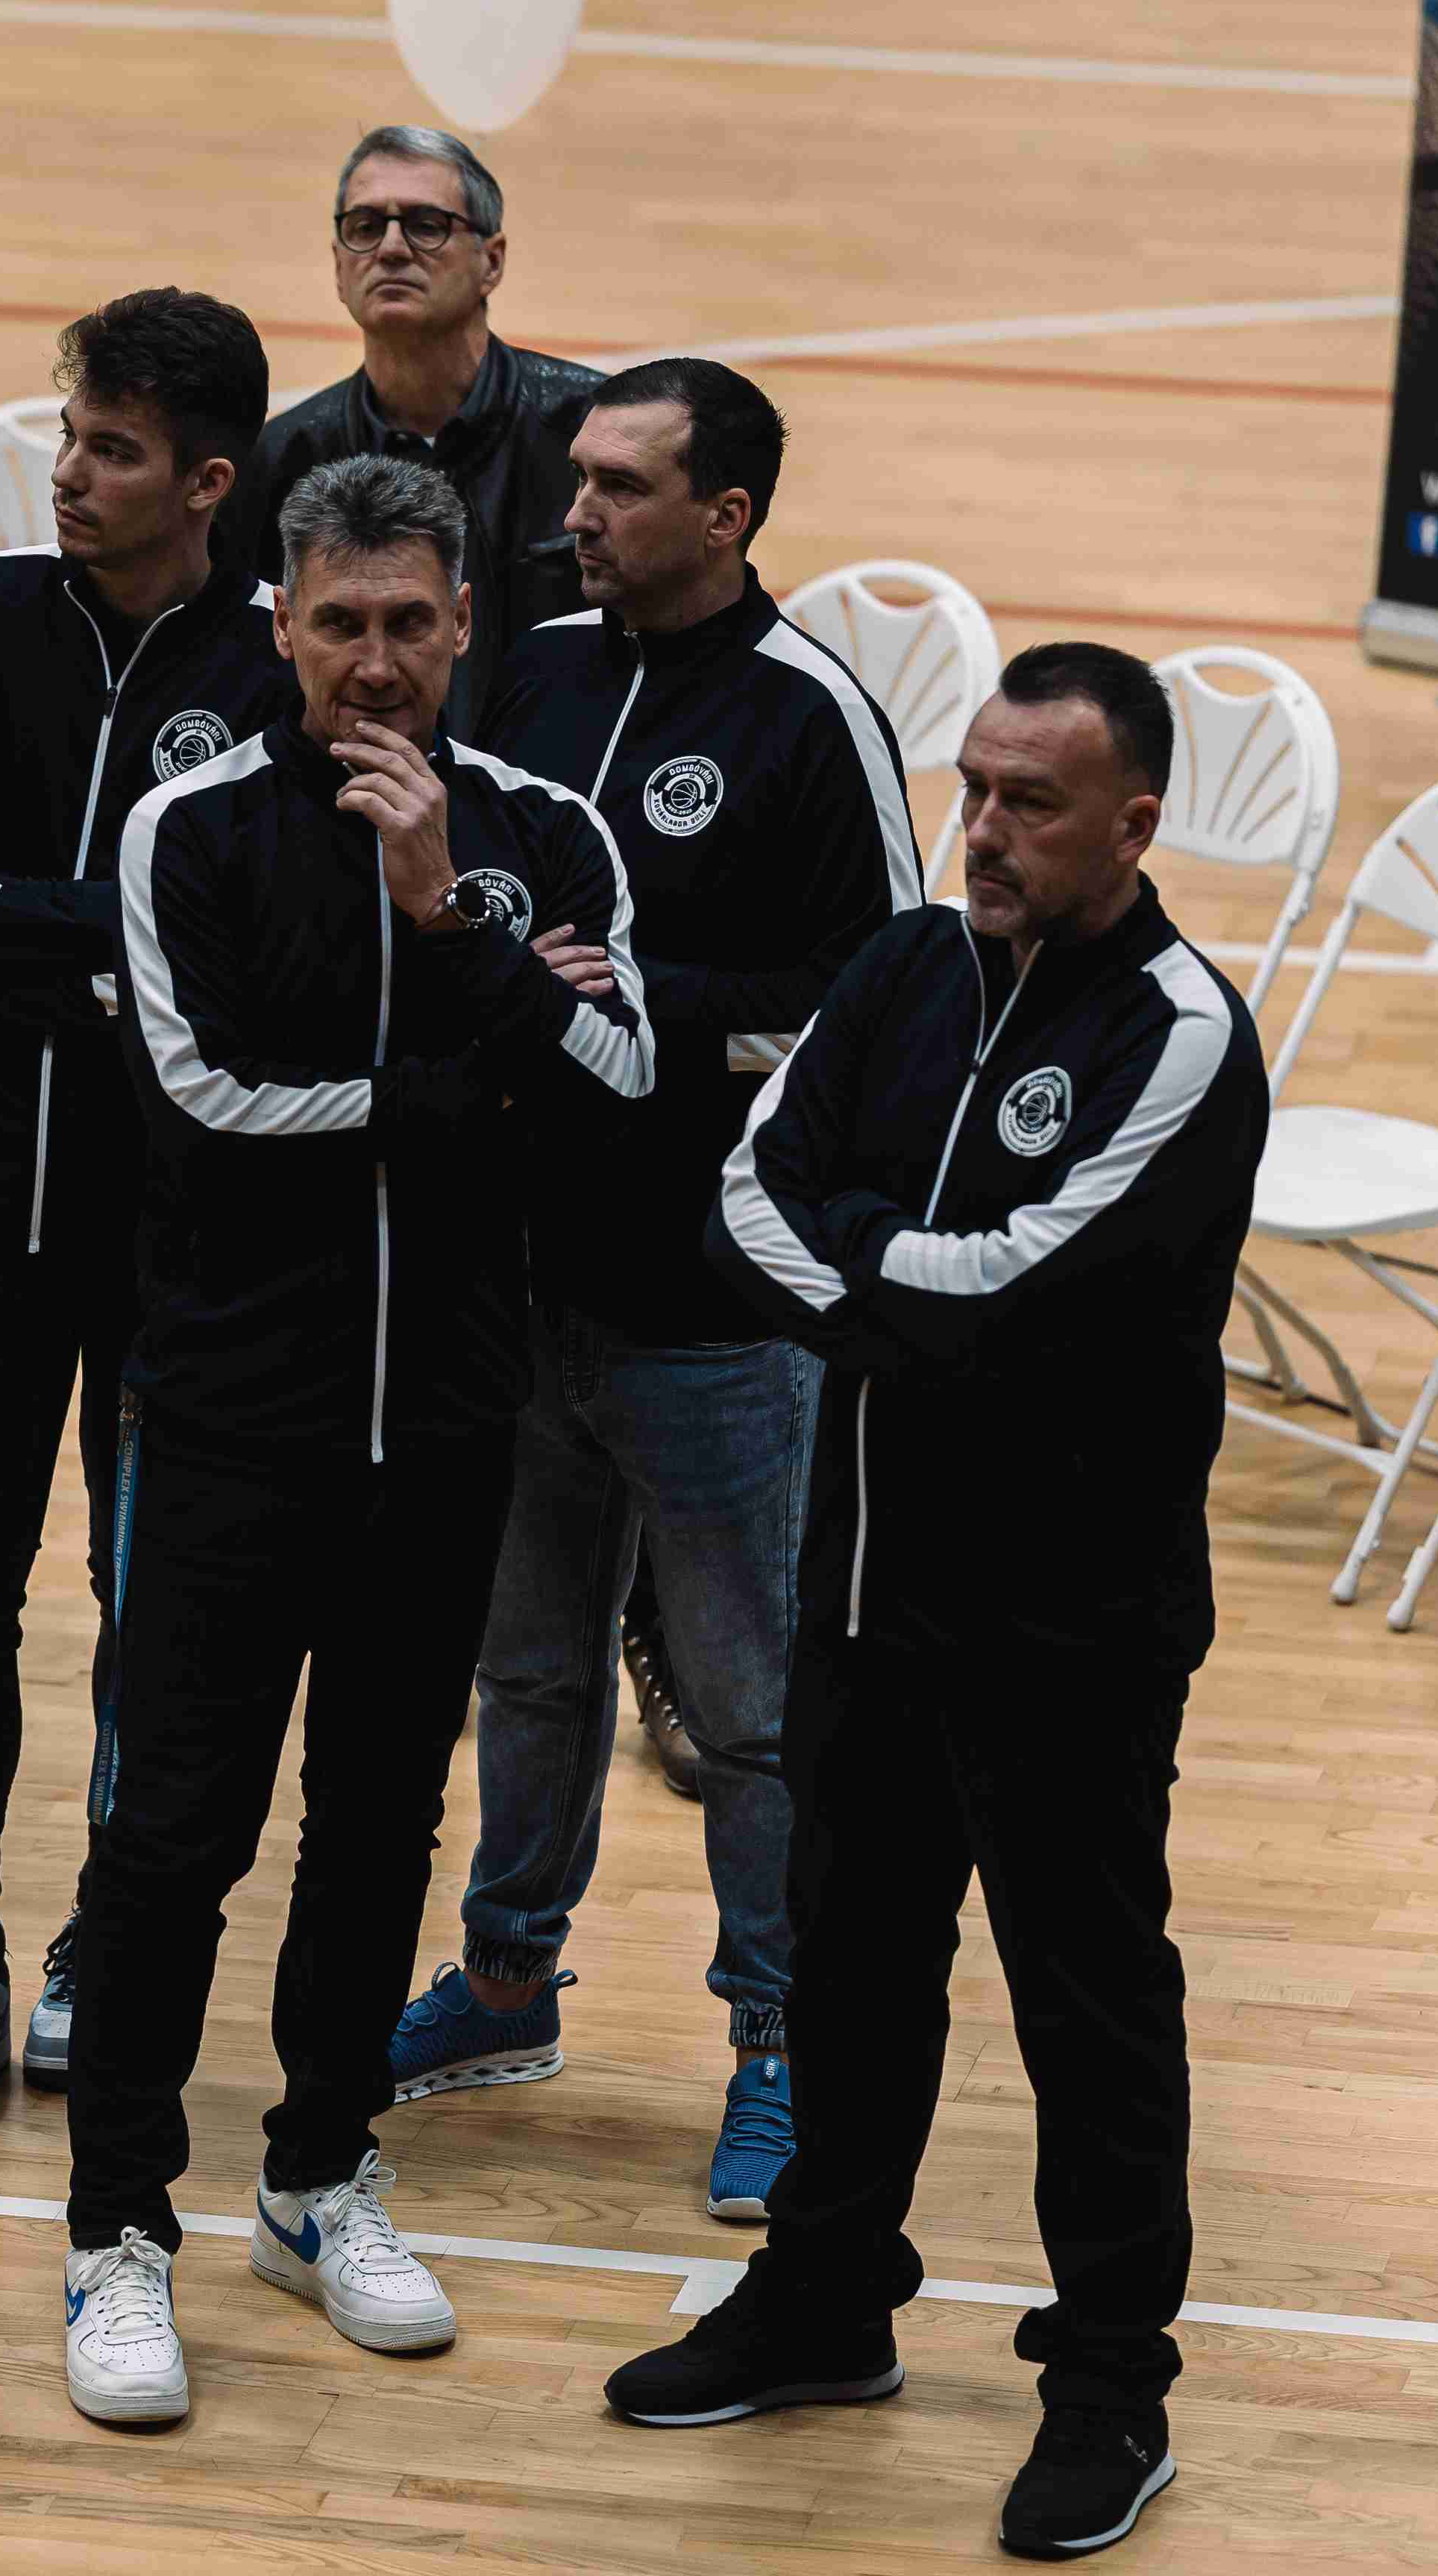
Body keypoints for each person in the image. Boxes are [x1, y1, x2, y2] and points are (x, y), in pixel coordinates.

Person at [598, 644, 1268, 2564]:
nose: (981, 829)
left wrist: (861, 1258)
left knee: (1087, 2002)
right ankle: (826, 2298)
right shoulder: (898, 968)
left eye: (1028, 803)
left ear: (1132, 825)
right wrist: (888, 1272)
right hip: (868, 1584)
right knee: (851, 1960)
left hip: (1073, 1619)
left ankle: (1110, 2382)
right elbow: (743, 1200)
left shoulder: (1179, 1035)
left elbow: (1014, 1290)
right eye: (971, 787)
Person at [57, 455, 649, 2428]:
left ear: (466, 623)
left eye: (410, 625)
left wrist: (446, 914)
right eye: (339, 627)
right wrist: (463, 1084)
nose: (376, 666)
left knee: (383, 1821)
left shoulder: (545, 834)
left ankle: (318, 2179)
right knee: (174, 1837)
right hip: (230, 1423)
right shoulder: (189, 831)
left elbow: (620, 1092)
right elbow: (205, 1106)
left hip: (451, 1427)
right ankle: (118, 2231)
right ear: (281, 626)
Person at [391, 362, 923, 2235]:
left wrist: (646, 1004)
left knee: (751, 1715)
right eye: (579, 479)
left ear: (727, 515)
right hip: (521, 1285)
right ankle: (506, 1981)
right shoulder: (531, 667)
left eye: (622, 487)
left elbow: (883, 1006)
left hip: (714, 1318)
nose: (578, 513)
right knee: (528, 1668)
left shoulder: (809, 718)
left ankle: (780, 2041)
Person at [0, 289, 291, 2149]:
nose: (69, 476)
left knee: (143, 1599)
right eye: (68, 438)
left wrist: (13, 916)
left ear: (207, 480)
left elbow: (265, 941)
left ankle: (105, 1935)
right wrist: (93, 928)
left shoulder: (274, 664)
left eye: (111, 449)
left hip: (182, 1238)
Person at [228, 125, 602, 743]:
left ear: (492, 260)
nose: (392, 248)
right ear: (339, 267)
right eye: (366, 226)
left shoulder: (594, 435)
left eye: (427, 225)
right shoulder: (283, 457)